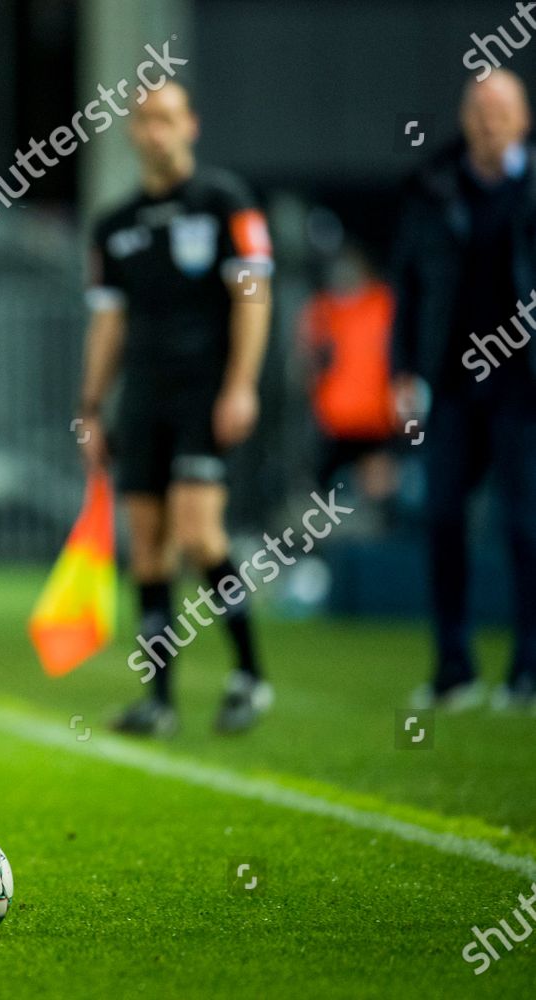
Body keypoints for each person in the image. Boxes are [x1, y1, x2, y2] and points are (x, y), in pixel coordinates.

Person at [77, 80, 275, 736]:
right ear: (134, 132)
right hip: (144, 399)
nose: (154, 130)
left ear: (189, 124)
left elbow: (253, 296)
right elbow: (109, 324)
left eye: (166, 118)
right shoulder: (116, 224)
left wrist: (241, 385)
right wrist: (92, 407)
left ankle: (250, 674)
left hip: (205, 393)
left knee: (199, 533)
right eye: (144, 120)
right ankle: (159, 701)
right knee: (150, 550)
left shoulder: (225, 203)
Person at [391, 69, 536, 713]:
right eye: (478, 110)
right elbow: (408, 285)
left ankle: (527, 669)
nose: (488, 122)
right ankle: (454, 666)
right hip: (452, 382)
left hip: (522, 385)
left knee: (524, 525)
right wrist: (402, 369)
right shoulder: (435, 188)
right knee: (443, 518)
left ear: (523, 119)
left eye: (501, 110)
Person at [299, 243, 398, 500]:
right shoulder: (323, 309)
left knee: (377, 490)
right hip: (334, 417)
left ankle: (381, 530)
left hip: (377, 415)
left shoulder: (382, 303)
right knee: (329, 494)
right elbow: (308, 356)